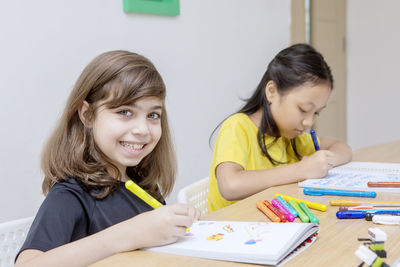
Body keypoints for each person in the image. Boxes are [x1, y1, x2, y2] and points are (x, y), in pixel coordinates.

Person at [15, 50, 200, 266]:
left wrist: (176, 224)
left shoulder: (143, 186)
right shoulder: (70, 195)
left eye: (153, 115)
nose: (142, 129)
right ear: (87, 115)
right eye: (125, 112)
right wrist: (129, 233)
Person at [208, 44, 352, 212]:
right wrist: (301, 170)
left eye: (316, 113)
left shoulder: (291, 136)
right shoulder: (238, 127)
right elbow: (230, 185)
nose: (308, 122)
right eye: (303, 110)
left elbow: (343, 148)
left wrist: (324, 162)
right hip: (232, 231)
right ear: (272, 92)